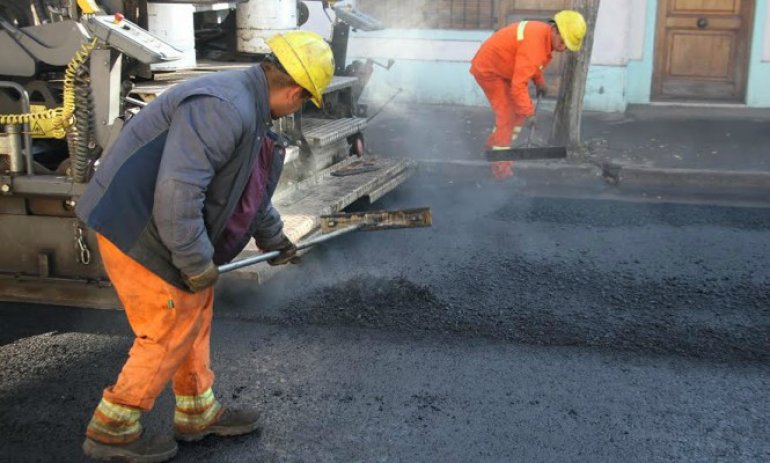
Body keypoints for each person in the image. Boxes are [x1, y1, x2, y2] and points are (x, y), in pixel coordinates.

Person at [75, 31, 334, 462]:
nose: (299, 109)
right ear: (294, 90)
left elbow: (244, 194)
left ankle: (197, 410)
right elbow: (179, 192)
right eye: (305, 101)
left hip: (161, 225)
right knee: (167, 325)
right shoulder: (225, 107)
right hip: (136, 227)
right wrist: (195, 260)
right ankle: (113, 427)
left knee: (195, 309)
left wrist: (275, 238)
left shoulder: (249, 108)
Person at [470, 10, 587, 180]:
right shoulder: (536, 44)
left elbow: (530, 64)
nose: (563, 47)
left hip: (504, 69)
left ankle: (494, 147)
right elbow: (519, 84)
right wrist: (530, 113)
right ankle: (501, 171)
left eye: (567, 46)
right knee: (507, 116)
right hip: (489, 71)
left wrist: (539, 82)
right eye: (563, 41)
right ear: (555, 29)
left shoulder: (543, 36)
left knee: (517, 115)